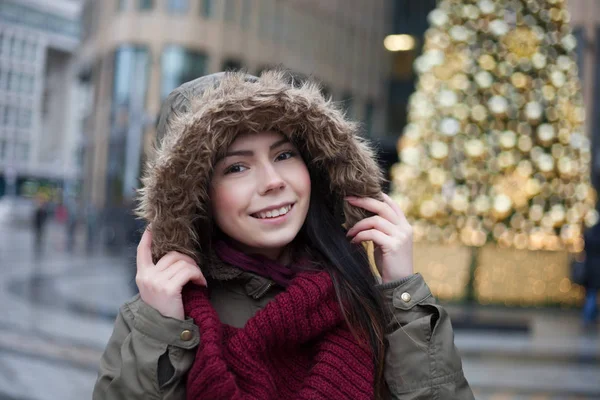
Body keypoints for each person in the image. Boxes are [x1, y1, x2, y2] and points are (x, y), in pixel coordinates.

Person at [93, 71, 474, 399]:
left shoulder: (367, 299)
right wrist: (162, 329)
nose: (273, 182)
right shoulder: (160, 318)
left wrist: (404, 295)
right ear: (196, 194)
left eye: (284, 155)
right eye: (237, 167)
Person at [583, 221, 600, 327]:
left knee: (591, 294)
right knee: (592, 295)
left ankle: (589, 318)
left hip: (590, 268)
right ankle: (589, 318)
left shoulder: (590, 232)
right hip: (596, 269)